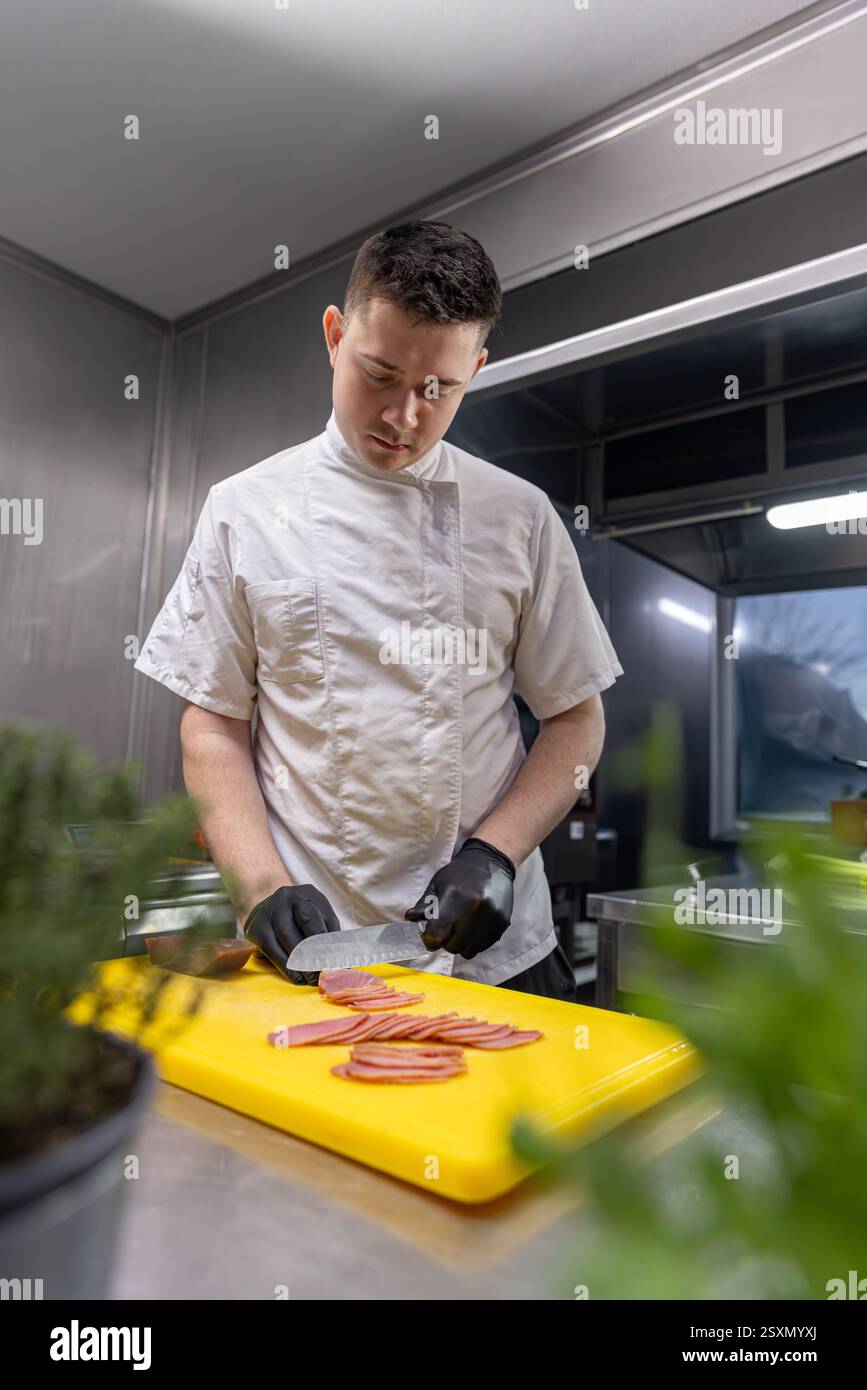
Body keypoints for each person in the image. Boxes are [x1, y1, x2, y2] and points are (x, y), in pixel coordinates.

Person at [135, 220, 622, 1002]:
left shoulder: (520, 517)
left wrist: (495, 856)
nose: (403, 417)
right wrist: (259, 887)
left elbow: (576, 721)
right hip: (314, 947)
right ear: (335, 334)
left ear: (477, 368)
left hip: (497, 953)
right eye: (379, 374)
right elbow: (213, 723)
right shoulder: (243, 511)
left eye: (439, 389)